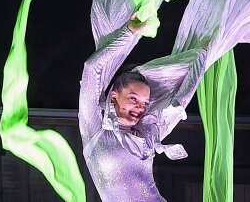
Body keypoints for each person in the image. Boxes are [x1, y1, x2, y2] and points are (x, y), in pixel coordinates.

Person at [78, 16, 207, 201]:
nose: (140, 108)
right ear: (114, 96)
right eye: (133, 99)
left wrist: (201, 57)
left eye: (145, 104)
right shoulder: (95, 126)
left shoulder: (147, 133)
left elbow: (179, 102)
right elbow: (91, 68)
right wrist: (128, 32)